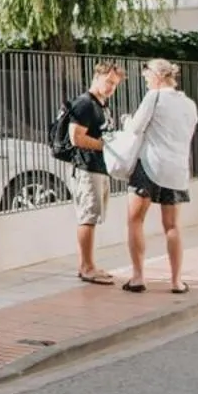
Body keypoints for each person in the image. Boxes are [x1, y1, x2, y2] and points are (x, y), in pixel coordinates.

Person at [122, 58, 198, 295]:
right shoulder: (189, 104)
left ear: (157, 76)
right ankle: (176, 281)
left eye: (147, 76)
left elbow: (135, 128)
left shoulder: (153, 98)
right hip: (177, 170)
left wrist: (126, 120)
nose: (145, 80)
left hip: (150, 166)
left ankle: (138, 277)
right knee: (172, 226)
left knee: (135, 220)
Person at [67, 61, 126, 286]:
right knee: (87, 217)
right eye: (109, 82)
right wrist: (105, 146)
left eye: (115, 84)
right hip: (86, 168)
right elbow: (76, 137)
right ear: (97, 77)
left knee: (92, 217)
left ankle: (89, 265)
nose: (111, 87)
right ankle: (86, 267)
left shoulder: (102, 105)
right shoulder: (85, 104)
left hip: (99, 168)